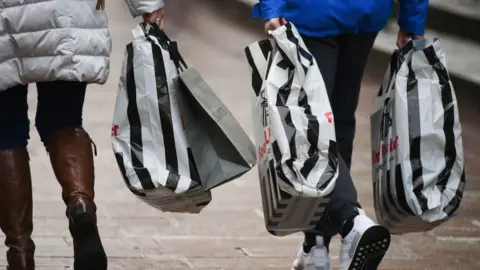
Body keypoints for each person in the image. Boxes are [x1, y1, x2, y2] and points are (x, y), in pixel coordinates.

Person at [252, 0, 428, 269]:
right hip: (365, 12)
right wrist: (413, 17)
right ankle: (316, 245)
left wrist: (272, 8)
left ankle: (351, 219)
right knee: (339, 120)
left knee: (311, 127)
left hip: (312, 11)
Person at [0, 0, 165, 269]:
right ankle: (81, 205)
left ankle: (19, 253)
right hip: (68, 14)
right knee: (62, 119)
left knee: (6, 132)